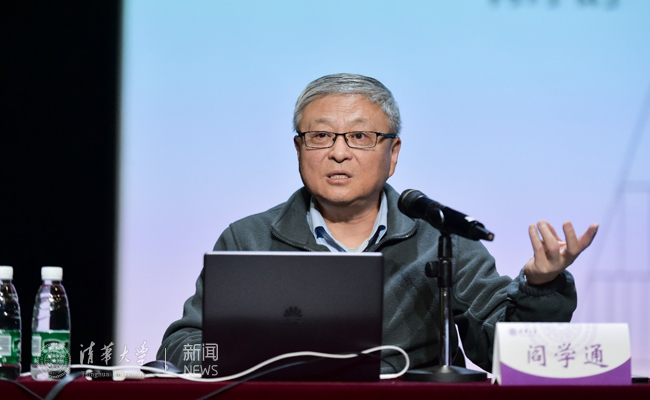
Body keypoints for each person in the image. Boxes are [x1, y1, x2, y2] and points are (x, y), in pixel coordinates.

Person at [156, 73, 598, 373]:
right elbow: (181, 348)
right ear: (299, 149)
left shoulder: (441, 237)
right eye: (320, 136)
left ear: (394, 153)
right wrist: (250, 358)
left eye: (360, 137)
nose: (339, 152)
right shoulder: (249, 237)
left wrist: (540, 287)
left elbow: (502, 353)